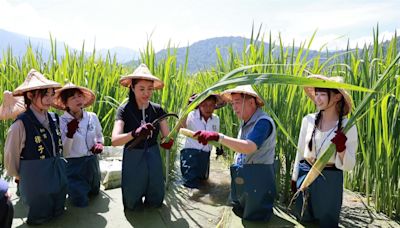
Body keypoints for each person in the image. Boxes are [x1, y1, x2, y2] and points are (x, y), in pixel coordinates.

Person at [192, 85, 276, 221]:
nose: (234, 107)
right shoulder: (245, 123)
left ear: (251, 102)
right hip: (244, 178)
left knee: (257, 218)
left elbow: (249, 147)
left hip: (258, 180)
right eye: (232, 104)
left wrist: (219, 137)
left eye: (237, 103)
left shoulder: (263, 123)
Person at [291, 75, 357, 227]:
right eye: (316, 93)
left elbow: (349, 165)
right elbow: (300, 152)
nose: (317, 99)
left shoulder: (347, 127)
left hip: (329, 180)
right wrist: (295, 178)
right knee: (302, 220)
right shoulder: (307, 120)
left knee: (326, 223)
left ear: (336, 97)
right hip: (305, 173)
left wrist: (341, 149)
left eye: (322, 94)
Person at [4, 69, 67, 225]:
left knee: (59, 209)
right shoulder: (20, 124)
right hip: (35, 176)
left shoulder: (54, 118)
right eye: (45, 94)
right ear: (30, 96)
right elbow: (11, 155)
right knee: (40, 214)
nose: (49, 98)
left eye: (51, 94)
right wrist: (18, 175)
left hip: (56, 170)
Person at [111, 64, 174, 211]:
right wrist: (135, 133)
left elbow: (167, 136)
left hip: (153, 154)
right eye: (141, 89)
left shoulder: (157, 110)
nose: (146, 93)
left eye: (150, 89)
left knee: (156, 197)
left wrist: (168, 142)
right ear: (132, 88)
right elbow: (114, 140)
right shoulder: (124, 110)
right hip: (133, 155)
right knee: (132, 201)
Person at [53, 83, 104, 207]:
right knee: (80, 201)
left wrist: (99, 144)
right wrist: (70, 134)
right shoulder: (61, 122)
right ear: (66, 103)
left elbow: (99, 134)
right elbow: (64, 153)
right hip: (74, 165)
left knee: (95, 193)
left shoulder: (92, 117)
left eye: (80, 96)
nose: (78, 99)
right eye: (73, 97)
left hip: (92, 162)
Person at [180, 93, 225, 190]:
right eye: (204, 105)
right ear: (199, 105)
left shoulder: (215, 119)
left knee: (203, 182)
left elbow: (215, 136)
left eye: (211, 105)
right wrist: (187, 109)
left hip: (206, 155)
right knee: (190, 184)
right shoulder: (191, 115)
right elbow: (179, 128)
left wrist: (219, 147)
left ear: (215, 105)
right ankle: (191, 202)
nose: (208, 108)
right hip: (190, 154)